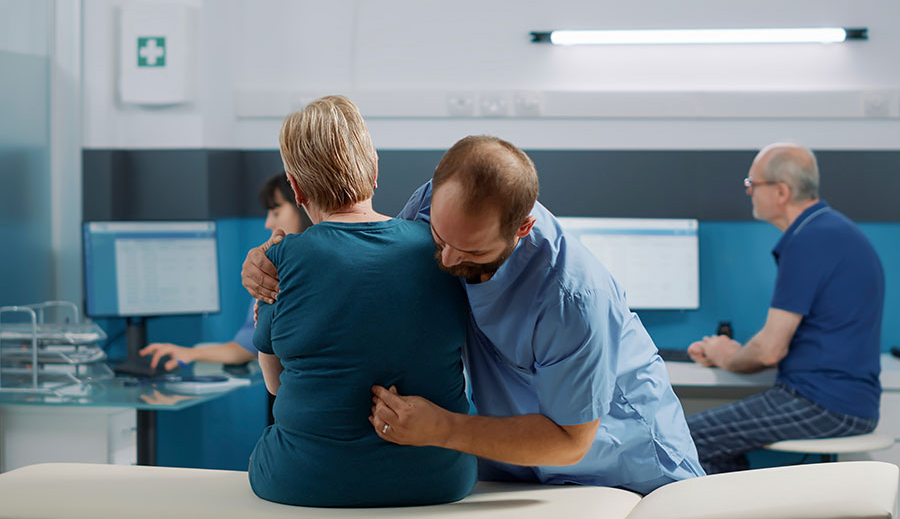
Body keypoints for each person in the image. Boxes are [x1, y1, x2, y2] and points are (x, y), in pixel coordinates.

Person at [243, 134, 704, 495]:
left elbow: (570, 441)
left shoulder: (572, 297)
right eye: (440, 240)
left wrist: (443, 428)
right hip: (505, 461)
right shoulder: (429, 206)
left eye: (473, 252)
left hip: (621, 466)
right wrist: (267, 267)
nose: (446, 261)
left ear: (522, 229)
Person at [248, 96, 476, 507]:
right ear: (373, 172)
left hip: (300, 482)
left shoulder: (281, 259)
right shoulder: (440, 250)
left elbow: (276, 385)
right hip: (440, 480)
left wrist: (263, 306)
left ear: (296, 189)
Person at [685, 142, 884, 474]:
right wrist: (734, 351)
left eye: (753, 183)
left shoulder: (809, 239)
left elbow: (769, 350)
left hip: (823, 404)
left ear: (781, 191)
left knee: (685, 438)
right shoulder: (830, 230)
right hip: (844, 401)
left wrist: (725, 355)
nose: (748, 192)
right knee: (717, 446)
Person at [139, 174, 311, 372]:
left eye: (275, 212)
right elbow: (249, 345)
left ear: (301, 203)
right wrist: (190, 353)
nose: (268, 223)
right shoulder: (269, 271)